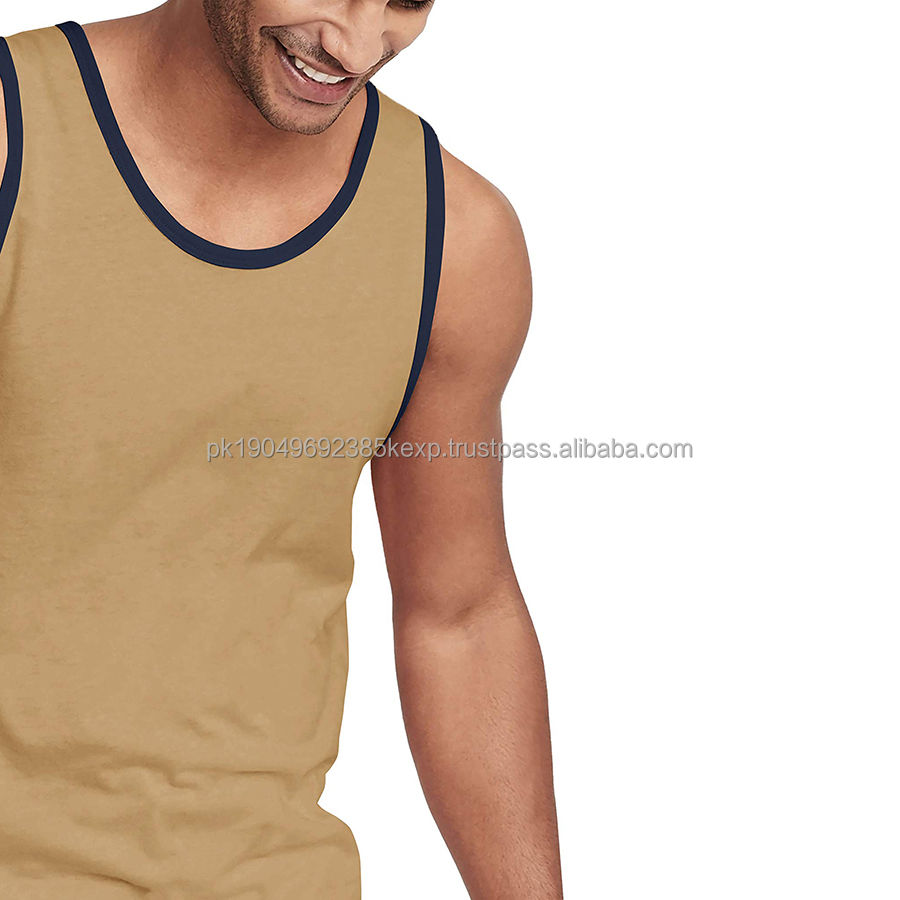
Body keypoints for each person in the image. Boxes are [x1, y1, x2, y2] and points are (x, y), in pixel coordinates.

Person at [0, 2, 562, 897]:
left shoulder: (453, 237)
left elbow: (459, 617)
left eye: (405, 0)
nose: (358, 43)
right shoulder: (17, 134)